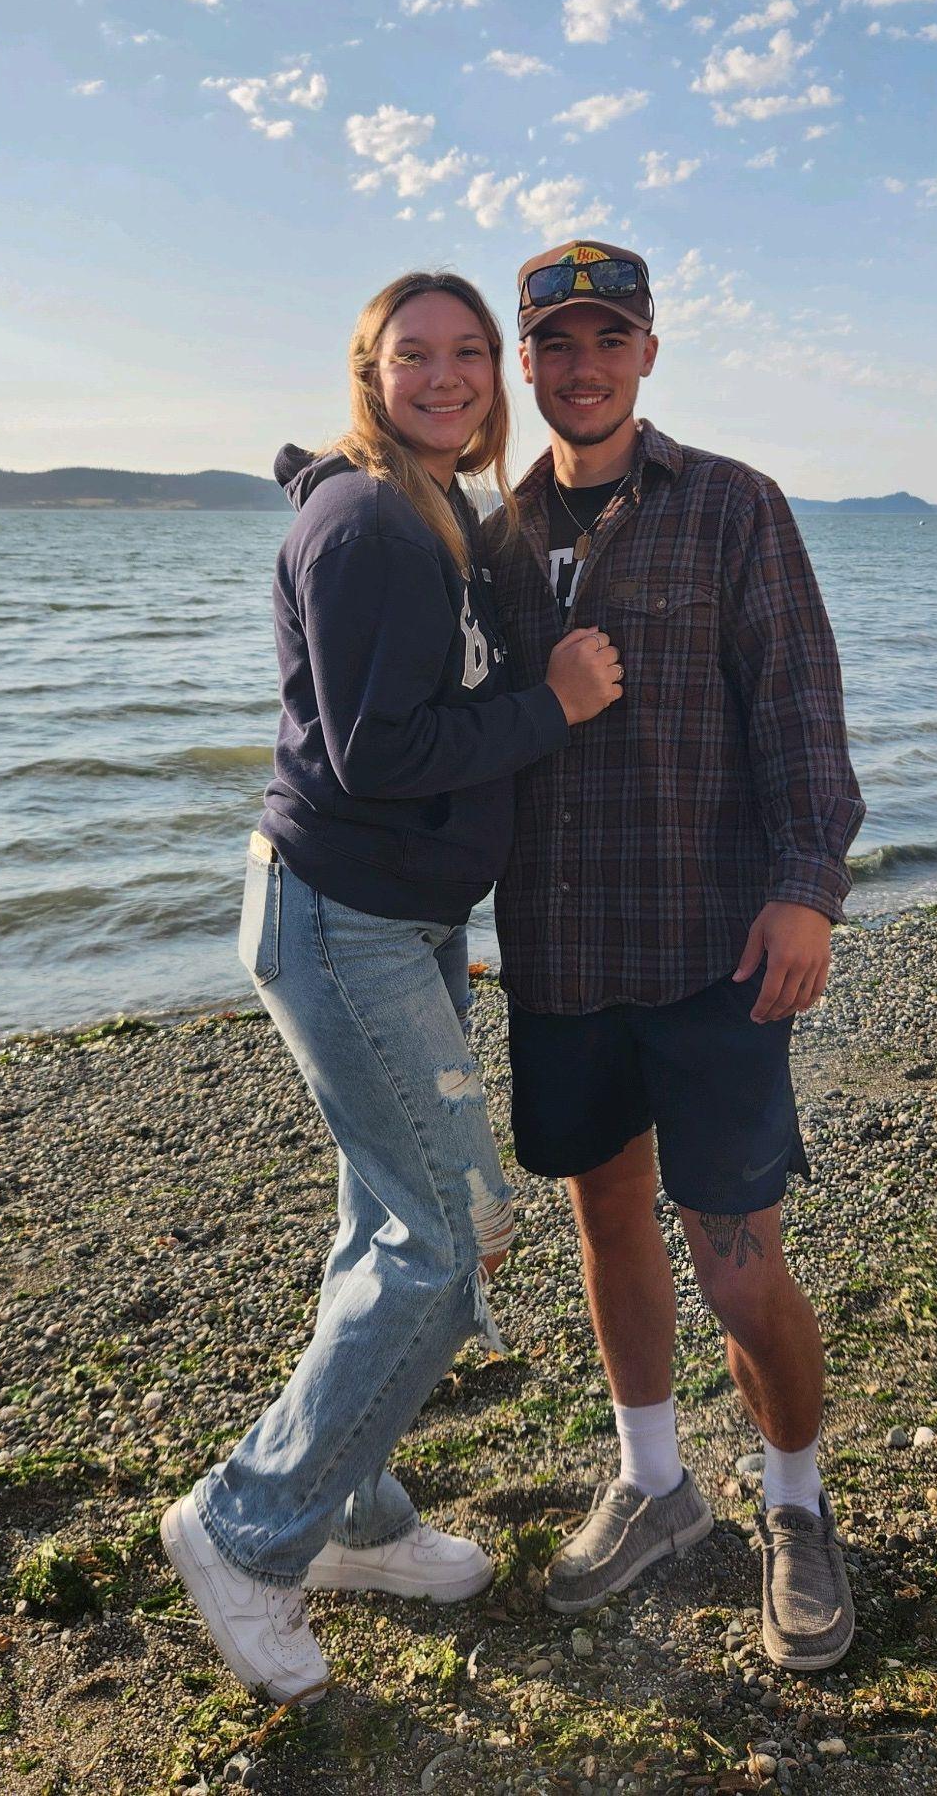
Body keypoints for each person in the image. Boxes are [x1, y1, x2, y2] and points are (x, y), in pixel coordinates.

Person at [160, 269, 625, 1706]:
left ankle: (356, 1520)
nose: (449, 376)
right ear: (369, 373)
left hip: (397, 917)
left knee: (384, 1224)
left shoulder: (431, 512)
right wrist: (555, 706)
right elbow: (375, 754)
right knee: (448, 1235)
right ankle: (247, 1530)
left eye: (470, 352)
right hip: (344, 916)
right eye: (414, 354)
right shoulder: (368, 521)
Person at [487, 240, 869, 1673]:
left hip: (714, 948)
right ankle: (655, 1482)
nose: (582, 366)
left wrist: (807, 890)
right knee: (607, 1221)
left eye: (610, 338)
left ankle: (797, 1503)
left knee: (736, 1256)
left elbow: (801, 709)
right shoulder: (497, 538)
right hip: (562, 952)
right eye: (557, 343)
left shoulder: (731, 505)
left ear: (649, 350)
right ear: (527, 361)